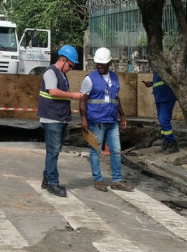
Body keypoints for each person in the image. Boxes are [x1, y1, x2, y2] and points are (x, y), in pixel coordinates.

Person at [79, 47, 133, 192]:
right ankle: (98, 180)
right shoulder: (89, 79)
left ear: (110, 63)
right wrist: (83, 119)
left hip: (112, 121)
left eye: (102, 64)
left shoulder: (114, 77)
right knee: (95, 151)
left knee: (115, 150)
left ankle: (117, 180)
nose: (100, 67)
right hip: (97, 122)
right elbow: (82, 101)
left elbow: (116, 97)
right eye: (98, 64)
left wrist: (122, 114)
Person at [38, 44, 87, 197]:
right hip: (52, 118)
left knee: (53, 151)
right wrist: (73, 95)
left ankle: (47, 180)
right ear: (63, 60)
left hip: (59, 118)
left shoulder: (61, 74)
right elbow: (53, 92)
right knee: (53, 152)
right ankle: (52, 183)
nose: (71, 68)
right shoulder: (51, 72)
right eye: (71, 65)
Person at [149, 70, 178, 152]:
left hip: (166, 96)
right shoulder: (156, 66)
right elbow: (160, 80)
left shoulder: (163, 64)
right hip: (159, 96)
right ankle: (166, 141)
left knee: (164, 120)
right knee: (162, 121)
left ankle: (172, 142)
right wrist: (151, 83)